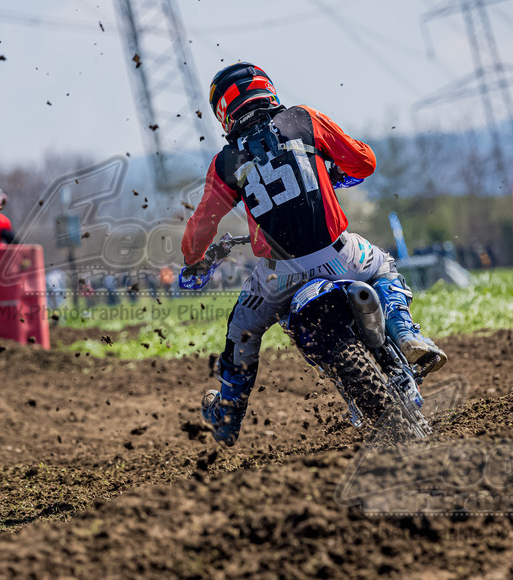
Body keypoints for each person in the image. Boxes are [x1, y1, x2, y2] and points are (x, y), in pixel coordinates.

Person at [183, 62, 447, 447]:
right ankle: (405, 333)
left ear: (223, 111)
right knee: (385, 267)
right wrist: (333, 171)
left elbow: (200, 228)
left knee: (241, 332)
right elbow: (364, 162)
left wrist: (194, 258)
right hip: (340, 254)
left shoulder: (225, 163)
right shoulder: (303, 119)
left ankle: (227, 412)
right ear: (267, 89)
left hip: (279, 277)